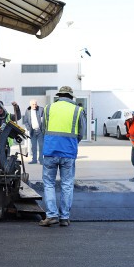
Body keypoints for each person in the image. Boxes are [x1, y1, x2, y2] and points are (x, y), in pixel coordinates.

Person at [39, 86, 86, 227]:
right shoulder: (77, 110)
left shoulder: (48, 108)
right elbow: (81, 133)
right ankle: (64, 217)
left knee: (49, 184)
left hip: (50, 151)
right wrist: (71, 143)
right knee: (66, 184)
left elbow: (43, 129)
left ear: (59, 96)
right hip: (68, 152)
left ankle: (51, 215)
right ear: (71, 97)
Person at [22, 99, 45, 164]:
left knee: (41, 145)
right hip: (32, 131)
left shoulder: (41, 109)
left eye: (35, 104)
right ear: (30, 105)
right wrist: (29, 128)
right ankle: (34, 159)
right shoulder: (28, 111)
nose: (34, 105)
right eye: (33, 104)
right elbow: (25, 121)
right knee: (34, 146)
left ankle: (41, 159)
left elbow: (44, 119)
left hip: (40, 131)